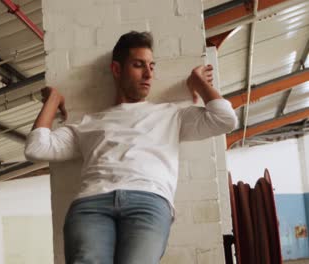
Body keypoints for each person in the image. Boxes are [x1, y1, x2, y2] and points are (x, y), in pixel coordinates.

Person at [24, 31, 237, 264]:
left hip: (148, 201)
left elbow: (225, 119)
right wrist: (53, 100)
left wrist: (198, 82)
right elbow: (36, 148)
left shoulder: (170, 115)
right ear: (117, 70)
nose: (148, 74)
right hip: (92, 204)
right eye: (138, 65)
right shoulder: (89, 123)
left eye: (152, 67)